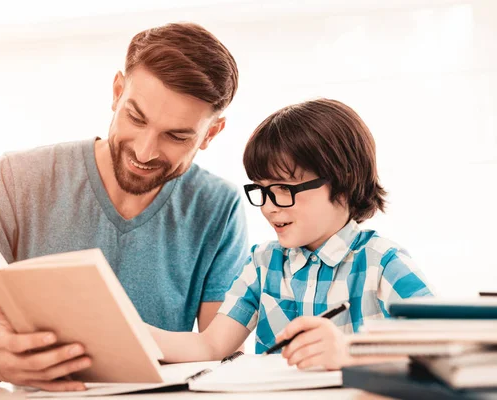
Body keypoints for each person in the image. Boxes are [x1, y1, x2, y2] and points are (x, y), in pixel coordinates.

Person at [0, 22, 248, 391]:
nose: (144, 151)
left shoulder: (219, 206)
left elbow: (222, 357)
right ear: (117, 91)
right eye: (136, 118)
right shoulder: (15, 179)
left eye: (176, 136)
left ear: (212, 133)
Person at [149, 98, 433, 370]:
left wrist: (350, 352)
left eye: (285, 189)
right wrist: (130, 331)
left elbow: (445, 346)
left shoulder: (382, 263)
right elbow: (210, 346)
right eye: (262, 190)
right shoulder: (263, 263)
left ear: (343, 184)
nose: (269, 207)